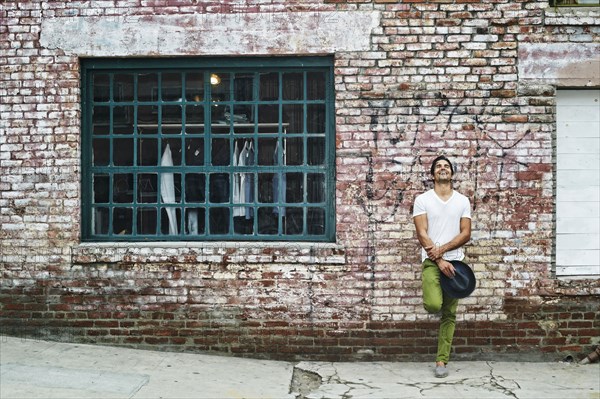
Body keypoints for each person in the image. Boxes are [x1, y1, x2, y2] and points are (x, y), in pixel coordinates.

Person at [412, 155, 472, 378]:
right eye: (438, 166)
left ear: (452, 173)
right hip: (431, 262)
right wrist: (438, 259)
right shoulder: (422, 199)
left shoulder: (462, 201)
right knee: (434, 304)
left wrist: (444, 251)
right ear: (433, 174)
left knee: (449, 314)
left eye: (446, 166)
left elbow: (465, 233)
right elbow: (421, 232)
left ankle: (441, 361)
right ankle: (441, 358)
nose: (443, 169)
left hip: (456, 263)